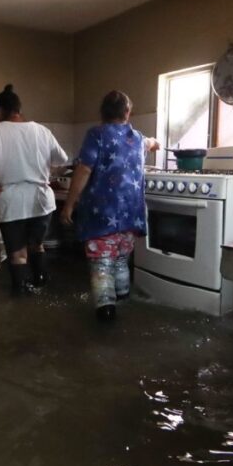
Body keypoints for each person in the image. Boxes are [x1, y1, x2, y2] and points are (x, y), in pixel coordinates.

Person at [60, 90, 159, 321]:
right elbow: (151, 143)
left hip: (101, 214)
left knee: (103, 260)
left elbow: (84, 170)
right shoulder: (137, 138)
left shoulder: (97, 135)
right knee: (122, 258)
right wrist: (156, 144)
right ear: (128, 112)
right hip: (130, 215)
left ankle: (106, 310)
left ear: (102, 113)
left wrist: (69, 205)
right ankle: (123, 299)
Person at [0, 84, 69, 295]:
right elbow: (62, 160)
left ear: (0, 110)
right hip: (41, 199)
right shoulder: (42, 130)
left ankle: (21, 292)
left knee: (18, 253)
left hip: (11, 201)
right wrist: (43, 173)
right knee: (37, 244)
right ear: (19, 109)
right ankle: (41, 282)